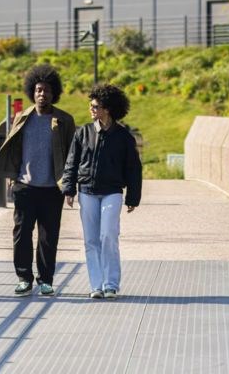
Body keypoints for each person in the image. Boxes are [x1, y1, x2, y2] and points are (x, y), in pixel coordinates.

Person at [0, 64, 76, 297]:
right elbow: (12, 147)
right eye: (38, 89)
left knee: (48, 238)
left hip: (52, 188)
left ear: (54, 93)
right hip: (25, 186)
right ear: (33, 91)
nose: (42, 94)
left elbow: (72, 153)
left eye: (47, 90)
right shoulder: (22, 117)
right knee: (21, 235)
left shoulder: (64, 120)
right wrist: (11, 176)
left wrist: (69, 186)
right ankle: (24, 278)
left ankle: (46, 280)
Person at [62, 84, 142, 300]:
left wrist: (133, 197)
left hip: (112, 192)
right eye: (91, 105)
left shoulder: (124, 137)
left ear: (107, 109)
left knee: (108, 235)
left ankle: (111, 284)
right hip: (86, 191)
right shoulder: (83, 132)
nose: (92, 109)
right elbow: (72, 162)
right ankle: (96, 285)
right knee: (91, 240)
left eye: (96, 106)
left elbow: (134, 168)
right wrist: (68, 188)